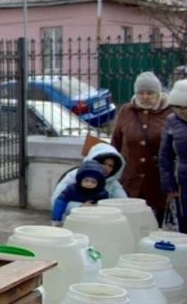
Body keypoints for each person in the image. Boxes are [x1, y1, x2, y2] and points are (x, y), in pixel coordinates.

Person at [111, 71, 172, 223]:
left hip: (157, 182)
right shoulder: (126, 110)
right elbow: (116, 142)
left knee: (155, 225)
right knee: (129, 223)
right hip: (129, 180)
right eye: (141, 93)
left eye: (150, 93)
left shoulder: (169, 113)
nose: (145, 97)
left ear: (158, 94)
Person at [51, 142, 127, 219]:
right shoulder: (74, 176)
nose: (106, 168)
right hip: (71, 221)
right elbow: (56, 200)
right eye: (104, 163)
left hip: (98, 221)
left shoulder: (112, 182)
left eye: (110, 166)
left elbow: (124, 202)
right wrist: (79, 206)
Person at [160, 80, 187, 230]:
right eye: (177, 107)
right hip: (181, 184)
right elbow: (165, 154)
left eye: (185, 108)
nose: (181, 111)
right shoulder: (172, 121)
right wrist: (168, 185)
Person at [52, 160, 110, 226]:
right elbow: (60, 202)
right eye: (86, 180)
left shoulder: (101, 194)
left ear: (98, 183)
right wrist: (57, 219)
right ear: (80, 180)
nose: (89, 184)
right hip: (71, 220)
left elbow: (106, 208)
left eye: (93, 182)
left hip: (92, 222)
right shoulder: (72, 189)